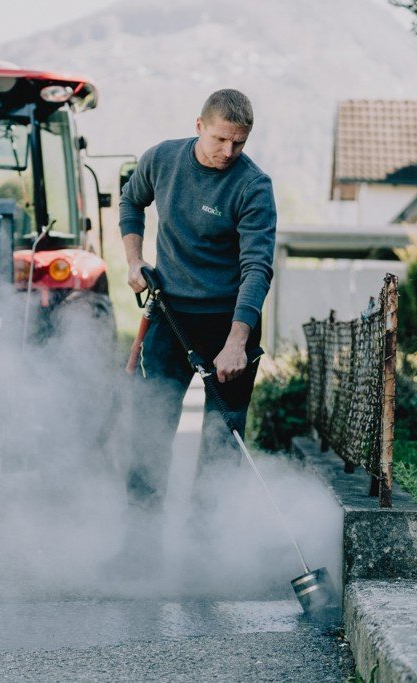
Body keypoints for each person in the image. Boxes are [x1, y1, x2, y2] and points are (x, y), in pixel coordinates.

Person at [112, 88, 276, 577]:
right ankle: (138, 553)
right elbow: (131, 201)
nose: (229, 151)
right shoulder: (162, 159)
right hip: (170, 316)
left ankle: (205, 559)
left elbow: (257, 268)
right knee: (149, 431)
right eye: (221, 139)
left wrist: (236, 342)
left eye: (239, 143)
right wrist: (134, 260)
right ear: (199, 125)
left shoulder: (253, 186)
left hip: (230, 321)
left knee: (223, 442)